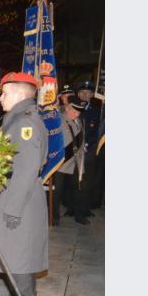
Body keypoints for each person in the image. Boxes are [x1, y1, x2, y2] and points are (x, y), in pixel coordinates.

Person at [0, 72, 49, 296]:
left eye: (5, 93)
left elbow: (26, 169)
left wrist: (12, 209)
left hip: (19, 199)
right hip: (13, 193)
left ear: (21, 94)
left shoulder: (26, 123)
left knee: (19, 261)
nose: (1, 98)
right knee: (13, 258)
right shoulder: (15, 121)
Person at [52, 96, 85, 226]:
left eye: (78, 112)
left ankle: (78, 214)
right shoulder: (58, 120)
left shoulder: (78, 120)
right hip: (61, 162)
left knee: (78, 189)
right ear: (67, 108)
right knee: (57, 192)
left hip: (76, 161)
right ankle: (54, 217)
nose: (77, 114)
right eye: (74, 111)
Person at [76, 81, 104, 210]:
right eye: (82, 92)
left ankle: (86, 207)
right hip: (75, 149)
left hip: (90, 150)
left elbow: (99, 130)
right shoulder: (74, 108)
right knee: (73, 179)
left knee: (88, 180)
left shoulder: (98, 111)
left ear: (92, 94)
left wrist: (89, 144)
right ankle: (72, 206)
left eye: (88, 93)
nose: (85, 95)